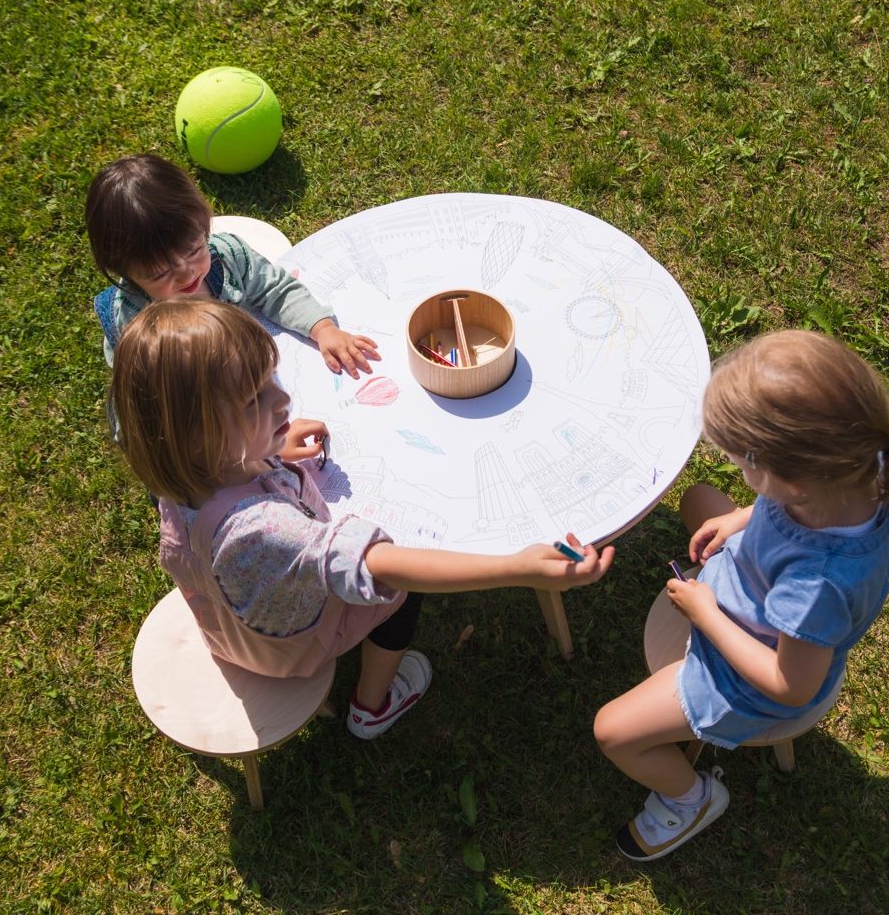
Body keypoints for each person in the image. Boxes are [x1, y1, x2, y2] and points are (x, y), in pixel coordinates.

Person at [111, 298, 615, 738]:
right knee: (405, 584)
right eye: (253, 400)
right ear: (200, 437)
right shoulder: (263, 530)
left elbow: (221, 484)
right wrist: (516, 568)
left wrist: (266, 446)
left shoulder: (177, 472)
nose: (283, 399)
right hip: (290, 645)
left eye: (271, 380)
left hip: (224, 623)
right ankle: (373, 704)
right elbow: (380, 565)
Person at [593, 329, 889, 861]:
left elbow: (789, 686)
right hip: (752, 591)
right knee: (700, 501)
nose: (735, 468)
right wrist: (739, 517)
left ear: (794, 476)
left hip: (748, 676)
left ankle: (691, 800)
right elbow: (779, 510)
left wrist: (705, 614)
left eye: (740, 460)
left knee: (612, 731)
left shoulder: (819, 584)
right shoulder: (850, 473)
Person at [86, 153, 378, 378]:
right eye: (161, 273)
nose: (187, 272)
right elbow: (157, 396)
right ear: (127, 273)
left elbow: (275, 289)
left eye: (195, 249)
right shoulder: (134, 322)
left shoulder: (226, 258)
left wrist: (323, 328)